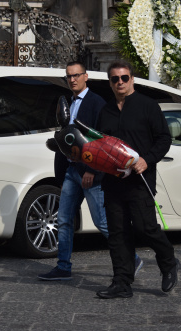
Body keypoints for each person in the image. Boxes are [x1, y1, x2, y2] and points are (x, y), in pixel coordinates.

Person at [38, 61, 143, 281]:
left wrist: (92, 170)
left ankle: (132, 258)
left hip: (90, 173)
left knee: (102, 222)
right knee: (64, 219)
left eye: (76, 75)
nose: (72, 79)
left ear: (86, 77)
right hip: (70, 171)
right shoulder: (66, 102)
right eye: (69, 76)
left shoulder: (97, 103)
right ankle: (63, 266)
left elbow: (101, 140)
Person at [95, 60, 179, 299]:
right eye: (114, 79)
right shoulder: (106, 110)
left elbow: (164, 139)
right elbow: (100, 145)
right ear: (110, 82)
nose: (119, 82)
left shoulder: (147, 106)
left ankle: (168, 261)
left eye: (124, 78)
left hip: (140, 180)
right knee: (118, 233)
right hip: (113, 182)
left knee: (145, 228)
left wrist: (147, 159)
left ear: (132, 79)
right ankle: (121, 282)